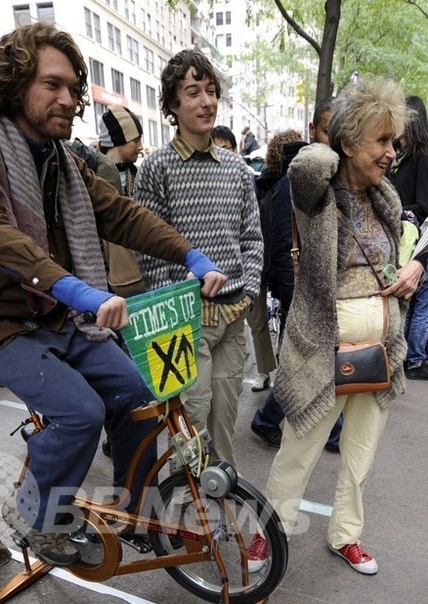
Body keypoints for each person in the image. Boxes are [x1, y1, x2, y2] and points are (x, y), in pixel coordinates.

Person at [0, 22, 225, 567]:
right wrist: (76, 290)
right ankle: (34, 515)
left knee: (138, 395)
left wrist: (190, 254)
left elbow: (119, 213)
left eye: (73, 88)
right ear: (15, 84)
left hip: (55, 313)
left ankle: (135, 511)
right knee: (79, 412)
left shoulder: (61, 159)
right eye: (52, 85)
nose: (67, 98)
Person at [246, 78, 425, 578]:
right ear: (348, 142)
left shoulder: (385, 197)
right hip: (323, 347)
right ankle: (269, 532)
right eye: (381, 140)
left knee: (361, 451)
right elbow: (306, 162)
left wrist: (411, 271)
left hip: (380, 346)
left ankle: (346, 534)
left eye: (394, 141)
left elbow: (394, 257)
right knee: (299, 445)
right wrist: (341, 136)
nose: (391, 153)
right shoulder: (317, 191)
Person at [134, 48, 263, 470]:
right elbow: (147, 249)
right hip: (181, 322)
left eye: (211, 91)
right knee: (189, 424)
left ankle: (223, 501)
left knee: (225, 421)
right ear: (172, 104)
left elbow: (252, 238)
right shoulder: (156, 168)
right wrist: (175, 300)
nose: (206, 101)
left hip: (234, 315)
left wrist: (249, 291)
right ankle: (184, 505)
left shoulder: (238, 170)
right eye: (193, 92)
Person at [251, 100, 344, 452]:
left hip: (321, 288)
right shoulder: (292, 181)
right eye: (328, 131)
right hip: (300, 291)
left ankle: (271, 419)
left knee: (309, 362)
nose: (334, 139)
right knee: (310, 362)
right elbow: (281, 248)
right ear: (313, 130)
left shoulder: (332, 176)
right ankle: (325, 430)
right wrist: (295, 298)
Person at [248, 129, 303, 393]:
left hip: (279, 262)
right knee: (259, 319)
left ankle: (272, 370)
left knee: (271, 318)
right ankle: (264, 370)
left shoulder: (294, 183)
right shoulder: (264, 185)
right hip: (263, 261)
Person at [388, 94, 428, 379]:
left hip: (416, 244)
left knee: (419, 302)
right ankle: (405, 359)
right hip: (402, 241)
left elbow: (424, 204)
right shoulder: (399, 158)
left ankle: (412, 360)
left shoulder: (419, 158)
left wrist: (401, 212)